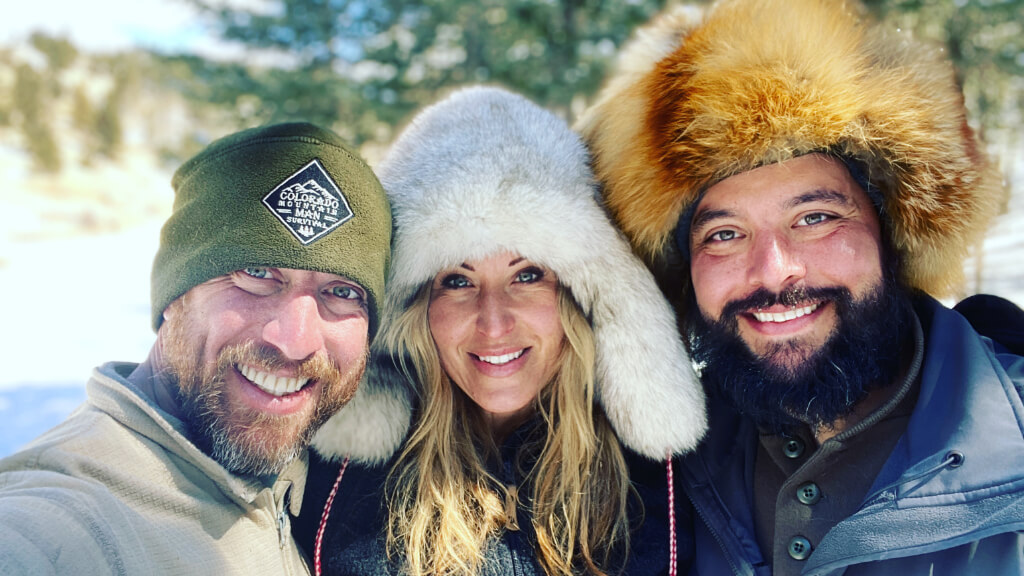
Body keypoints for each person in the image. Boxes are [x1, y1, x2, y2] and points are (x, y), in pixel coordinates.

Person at [576, 0, 1024, 574]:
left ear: (894, 233)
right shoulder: (653, 473)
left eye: (815, 218)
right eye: (725, 233)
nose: (773, 270)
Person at [294, 86, 708, 576]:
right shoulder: (328, 482)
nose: (494, 322)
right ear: (416, 308)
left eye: (527, 275)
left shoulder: (682, 482)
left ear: (581, 296)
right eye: (457, 280)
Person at [0, 122, 392, 575]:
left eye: (343, 292)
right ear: (174, 295)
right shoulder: (60, 526)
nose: (296, 340)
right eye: (257, 272)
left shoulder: (310, 480)